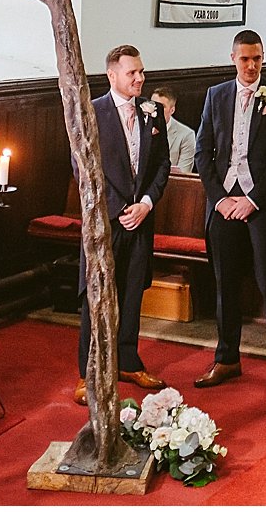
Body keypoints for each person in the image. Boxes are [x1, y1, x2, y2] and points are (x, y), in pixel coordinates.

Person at [192, 30, 266, 398]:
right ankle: (227, 358)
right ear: (233, 58)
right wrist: (219, 199)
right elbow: (203, 152)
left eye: (257, 59)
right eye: (245, 59)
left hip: (260, 204)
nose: (251, 66)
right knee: (225, 283)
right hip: (223, 203)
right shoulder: (216, 95)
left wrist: (252, 199)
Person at [74, 45, 171, 404]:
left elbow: (162, 164)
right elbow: (83, 167)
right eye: (132, 73)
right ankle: (88, 372)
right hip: (106, 221)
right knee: (97, 295)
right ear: (112, 75)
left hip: (141, 219)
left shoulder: (152, 111)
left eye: (141, 71)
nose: (140, 78)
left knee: (132, 294)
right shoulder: (92, 112)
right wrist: (118, 209)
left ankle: (128, 361)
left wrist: (145, 204)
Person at [150, 86, 195, 173]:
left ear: (172, 110)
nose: (156, 110)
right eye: (153, 105)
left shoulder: (186, 135)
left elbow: (183, 173)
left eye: (161, 106)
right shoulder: (139, 127)